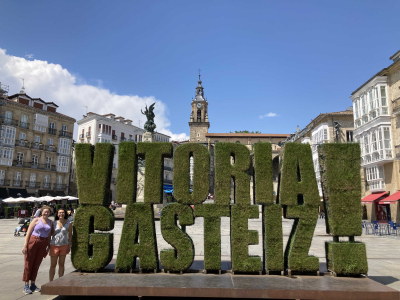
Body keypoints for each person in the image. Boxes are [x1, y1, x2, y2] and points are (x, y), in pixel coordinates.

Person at [22, 205, 53, 294]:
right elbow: (28, 233)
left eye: (48, 212)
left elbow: (49, 235)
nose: (46, 213)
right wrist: (25, 245)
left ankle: (33, 284)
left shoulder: (50, 222)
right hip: (33, 241)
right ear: (41, 212)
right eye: (45, 211)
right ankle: (26, 285)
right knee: (28, 264)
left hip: (43, 243)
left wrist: (48, 246)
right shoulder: (36, 220)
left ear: (50, 213)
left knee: (36, 264)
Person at [49, 208, 72, 281]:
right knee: (53, 264)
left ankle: (60, 280)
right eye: (59, 212)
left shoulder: (69, 223)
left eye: (62, 212)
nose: (61, 214)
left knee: (61, 264)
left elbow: (70, 235)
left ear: (65, 213)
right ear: (57, 214)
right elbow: (50, 234)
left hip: (64, 245)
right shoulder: (54, 223)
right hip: (54, 245)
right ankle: (51, 281)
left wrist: (69, 245)